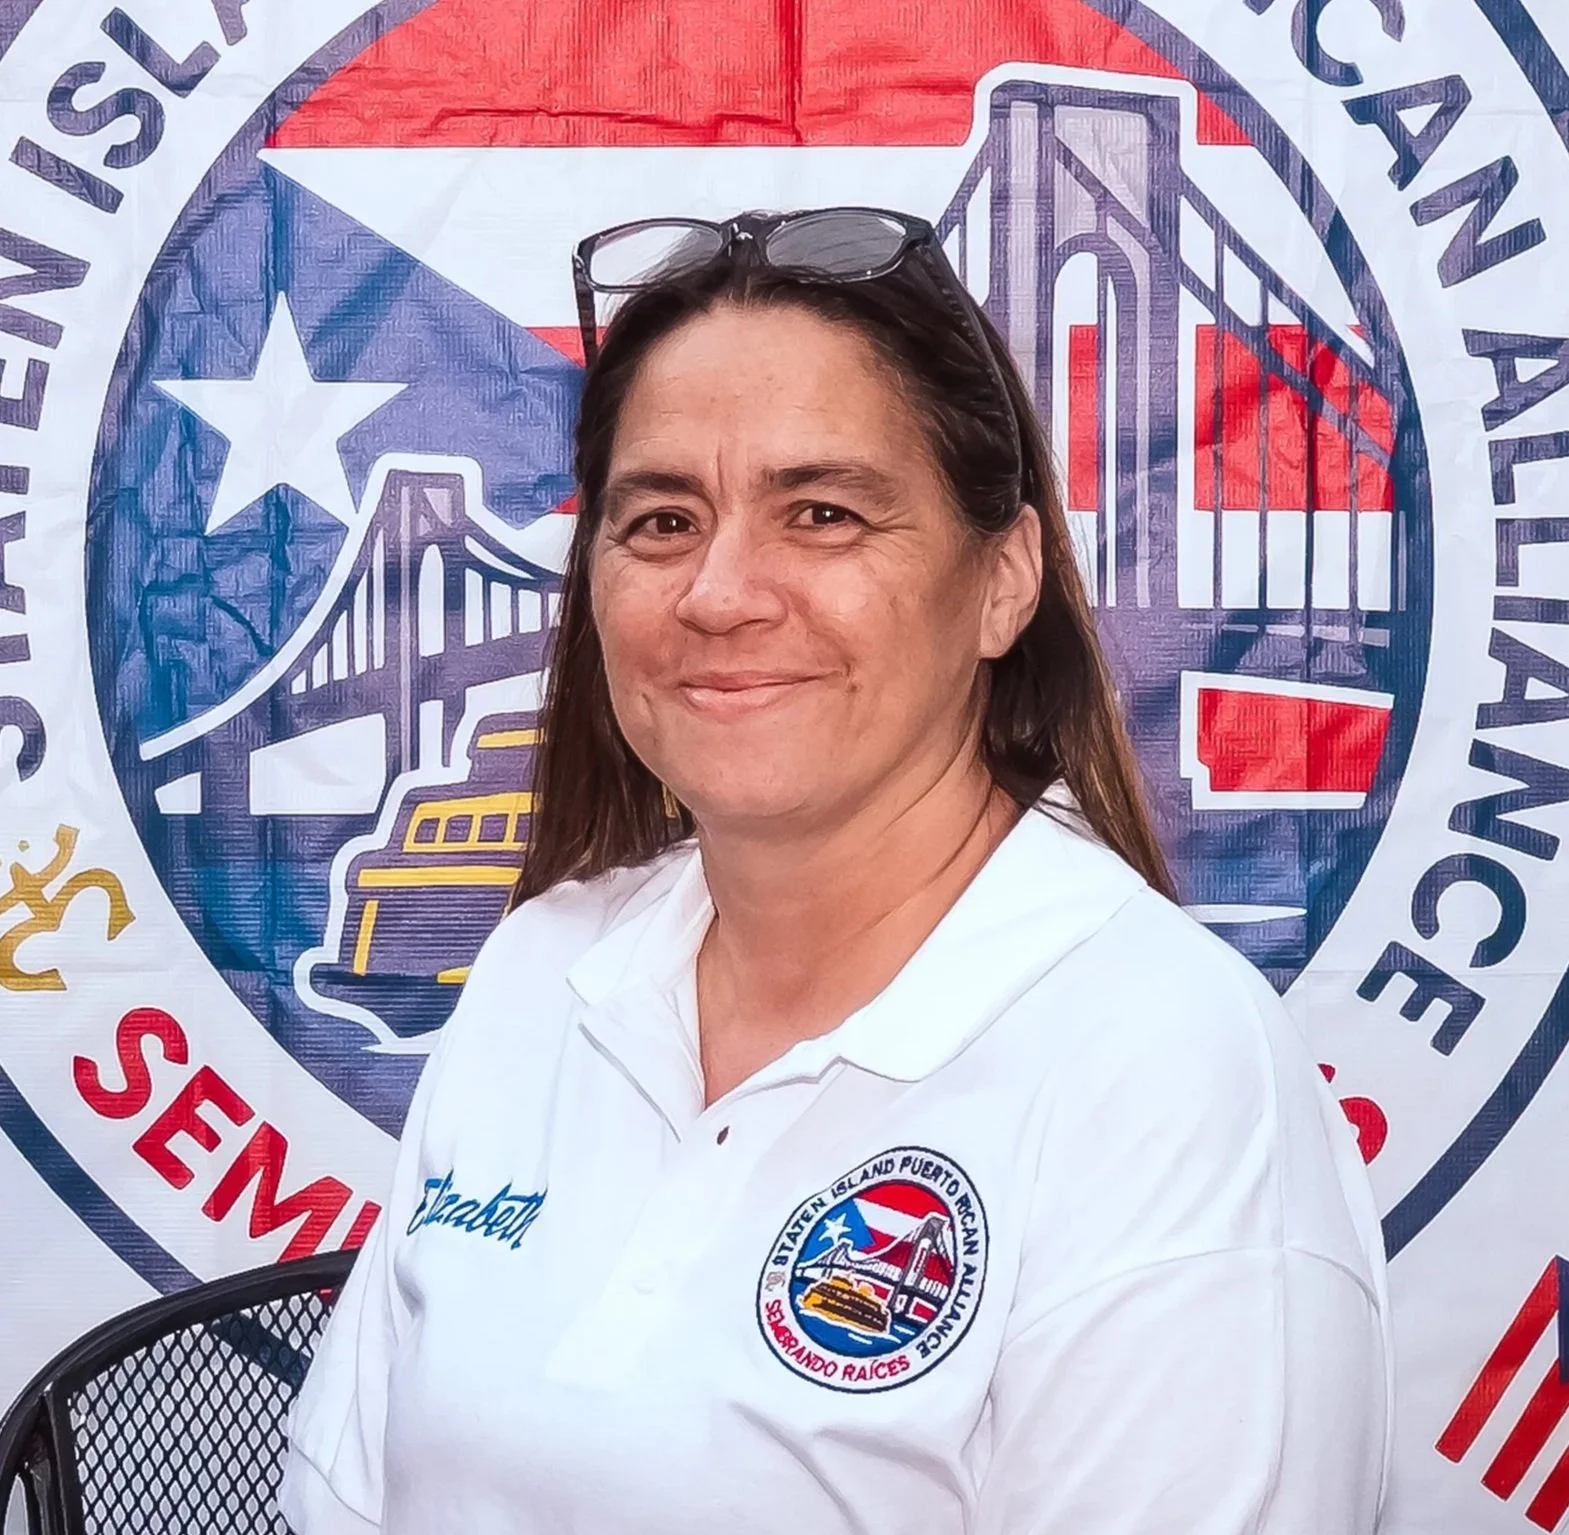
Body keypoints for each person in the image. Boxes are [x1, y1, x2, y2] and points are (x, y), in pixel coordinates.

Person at [280, 208, 1392, 1535]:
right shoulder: (543, 966)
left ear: (1005, 580)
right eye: (662, 520)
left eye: (823, 513)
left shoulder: (1165, 1070)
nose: (720, 592)